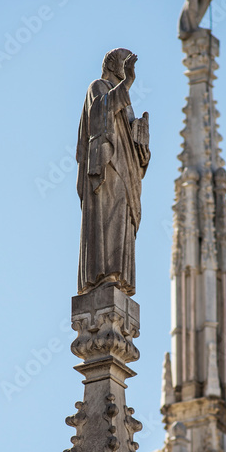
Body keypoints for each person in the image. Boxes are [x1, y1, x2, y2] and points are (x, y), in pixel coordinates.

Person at [76, 48, 150, 297]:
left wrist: (142, 148)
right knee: (111, 215)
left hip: (126, 169)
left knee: (123, 217)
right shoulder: (97, 87)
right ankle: (104, 274)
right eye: (125, 62)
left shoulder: (124, 100)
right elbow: (100, 113)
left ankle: (119, 277)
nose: (128, 67)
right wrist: (127, 84)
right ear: (113, 64)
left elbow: (130, 143)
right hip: (108, 166)